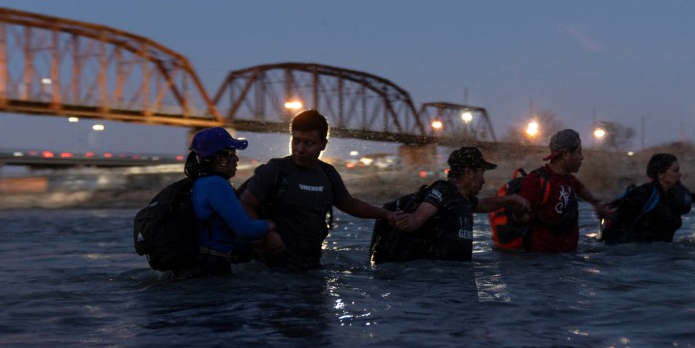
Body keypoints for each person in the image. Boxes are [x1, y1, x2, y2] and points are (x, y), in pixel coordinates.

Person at [239, 109, 400, 271]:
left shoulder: (327, 174)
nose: (300, 149)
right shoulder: (276, 170)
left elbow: (349, 204)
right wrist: (266, 233)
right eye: (296, 141)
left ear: (323, 144)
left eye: (309, 143)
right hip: (271, 270)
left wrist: (385, 214)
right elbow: (245, 203)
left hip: (311, 268)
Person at [387, 146, 530, 261]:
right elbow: (417, 218)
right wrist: (406, 221)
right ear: (468, 172)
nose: (483, 180)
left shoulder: (465, 200)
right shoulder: (442, 191)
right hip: (436, 279)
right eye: (481, 173)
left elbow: (483, 204)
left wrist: (508, 199)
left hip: (456, 279)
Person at [179, 127, 275, 277]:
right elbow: (245, 229)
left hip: (194, 268)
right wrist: (270, 225)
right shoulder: (216, 184)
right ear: (219, 159)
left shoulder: (199, 182)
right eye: (233, 155)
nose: (237, 160)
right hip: (211, 270)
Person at [519, 129, 610, 253]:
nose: (582, 157)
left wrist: (597, 204)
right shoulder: (536, 180)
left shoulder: (568, 179)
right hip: (541, 265)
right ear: (566, 154)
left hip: (568, 260)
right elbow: (522, 216)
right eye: (579, 152)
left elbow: (581, 189)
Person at [602, 153, 695, 244]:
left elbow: (688, 199)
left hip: (661, 252)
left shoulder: (676, 191)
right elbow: (613, 210)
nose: (680, 174)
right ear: (661, 174)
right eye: (675, 171)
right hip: (637, 255)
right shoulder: (646, 193)